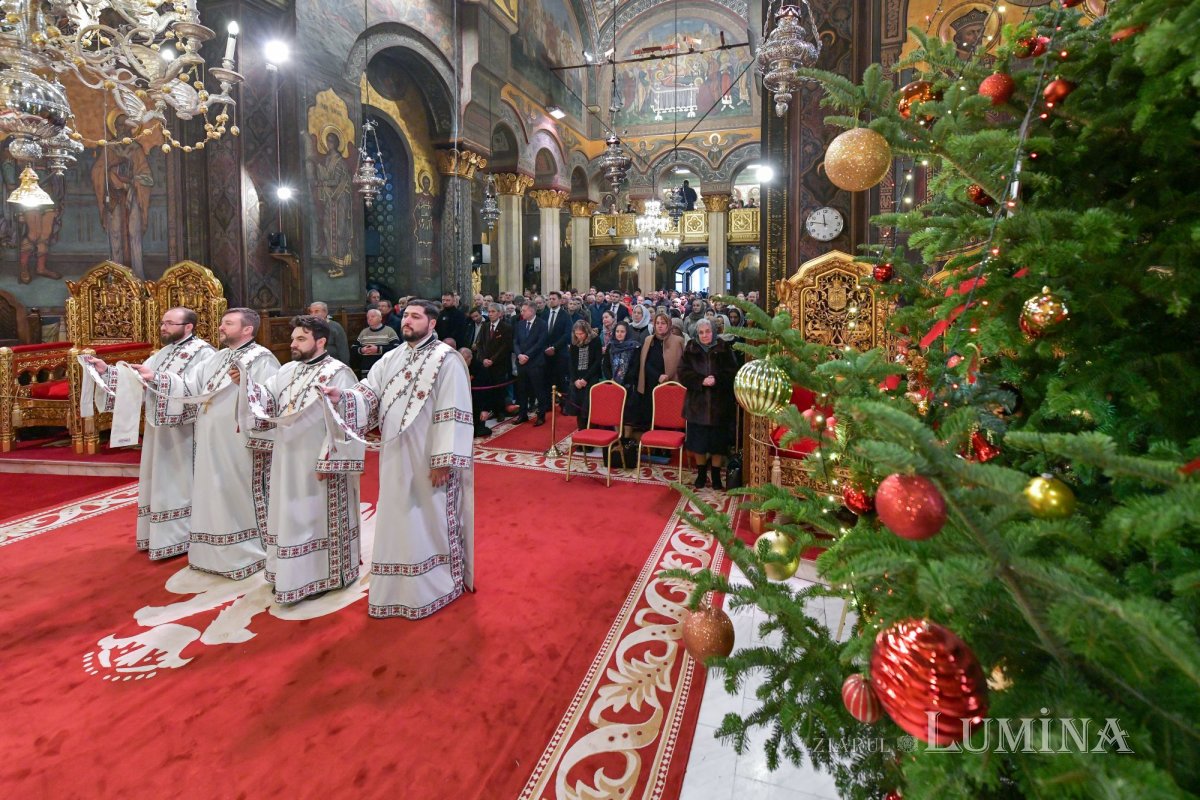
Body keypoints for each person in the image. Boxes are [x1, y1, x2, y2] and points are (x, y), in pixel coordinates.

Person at [323, 300, 475, 620]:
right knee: (397, 514)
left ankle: (439, 581)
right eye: (405, 315)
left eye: (416, 317)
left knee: (429, 515)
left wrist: (443, 459)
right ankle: (397, 585)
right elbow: (369, 393)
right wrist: (344, 397)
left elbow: (453, 410)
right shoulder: (391, 357)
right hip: (394, 454)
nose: (407, 321)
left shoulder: (446, 360)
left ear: (431, 324)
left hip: (428, 455)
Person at [240, 315, 362, 603]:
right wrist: (246, 384)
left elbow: (347, 421)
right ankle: (290, 574)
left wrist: (330, 460)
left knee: (316, 517)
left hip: (318, 459)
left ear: (321, 341)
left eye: (301, 339)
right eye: (293, 338)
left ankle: (327, 575)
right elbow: (268, 399)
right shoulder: (287, 370)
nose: (293, 344)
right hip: (287, 456)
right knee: (290, 516)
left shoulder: (338, 373)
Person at [85, 308, 215, 560]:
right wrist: (106, 371)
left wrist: (159, 379)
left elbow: (199, 390)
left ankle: (185, 536)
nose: (163, 327)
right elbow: (138, 380)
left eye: (170, 323)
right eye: (162, 322)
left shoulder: (204, 353)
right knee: (159, 480)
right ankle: (162, 537)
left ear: (188, 327)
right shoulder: (162, 353)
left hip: (185, 431)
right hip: (158, 430)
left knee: (180, 482)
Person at [167, 308, 280, 578]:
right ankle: (210, 553)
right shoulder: (217, 358)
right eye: (222, 323)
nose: (220, 327)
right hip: (208, 439)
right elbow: (188, 387)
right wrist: (155, 379)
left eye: (228, 323)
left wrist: (247, 384)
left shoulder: (262, 359)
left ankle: (248, 550)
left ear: (247, 329)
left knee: (234, 492)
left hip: (238, 441)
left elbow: (271, 399)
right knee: (210, 491)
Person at [679, 319, 738, 489]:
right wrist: (700, 381)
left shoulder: (724, 347)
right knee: (699, 443)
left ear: (713, 331)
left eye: (708, 331)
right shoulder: (690, 348)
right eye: (701, 332)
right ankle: (701, 474)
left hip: (719, 405)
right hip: (697, 405)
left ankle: (716, 476)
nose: (705, 335)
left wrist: (717, 379)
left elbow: (733, 372)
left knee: (717, 444)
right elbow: (682, 372)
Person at [638, 312, 684, 423]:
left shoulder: (678, 341)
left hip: (672, 382)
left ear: (669, 324)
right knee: (652, 414)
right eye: (657, 323)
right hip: (652, 382)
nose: (660, 326)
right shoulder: (649, 340)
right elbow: (644, 362)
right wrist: (658, 376)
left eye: (663, 323)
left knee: (669, 415)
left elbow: (682, 363)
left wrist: (668, 376)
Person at [512, 301, 549, 426]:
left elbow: (540, 343)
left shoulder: (542, 324)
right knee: (522, 390)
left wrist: (527, 355)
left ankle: (541, 415)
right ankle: (522, 415)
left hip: (535, 362)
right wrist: (519, 355)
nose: (521, 312)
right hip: (521, 362)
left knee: (538, 390)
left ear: (532, 311)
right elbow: (515, 341)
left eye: (524, 310)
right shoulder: (520, 324)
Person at [603, 321, 642, 436]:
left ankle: (626, 439)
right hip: (613, 384)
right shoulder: (611, 346)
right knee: (616, 411)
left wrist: (623, 380)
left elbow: (635, 366)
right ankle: (617, 437)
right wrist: (611, 379)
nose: (619, 334)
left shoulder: (634, 346)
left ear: (627, 333)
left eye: (622, 332)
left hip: (628, 385)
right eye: (617, 331)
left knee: (628, 413)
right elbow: (605, 365)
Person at [477, 302, 513, 422]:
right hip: (486, 363)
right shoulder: (485, 326)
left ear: (499, 313)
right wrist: (483, 359)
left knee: (499, 389)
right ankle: (491, 410)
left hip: (499, 364)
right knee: (488, 388)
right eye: (489, 312)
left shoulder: (506, 327)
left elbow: (505, 347)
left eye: (493, 312)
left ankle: (501, 411)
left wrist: (492, 360)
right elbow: (480, 344)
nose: (490, 314)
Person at [566, 319, 602, 427]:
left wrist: (585, 379)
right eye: (577, 334)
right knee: (578, 405)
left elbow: (597, 361)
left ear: (587, 332)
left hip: (591, 376)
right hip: (577, 377)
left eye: (581, 334)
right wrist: (575, 379)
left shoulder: (595, 340)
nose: (579, 336)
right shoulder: (574, 341)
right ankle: (581, 428)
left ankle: (592, 428)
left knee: (589, 405)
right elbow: (571, 362)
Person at [354, 308, 400, 377]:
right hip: (367, 370)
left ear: (380, 318)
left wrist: (378, 349)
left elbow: (396, 348)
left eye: (372, 316)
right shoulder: (364, 332)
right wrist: (362, 350)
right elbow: (354, 348)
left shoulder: (389, 331)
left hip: (384, 370)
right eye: (368, 317)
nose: (369, 319)